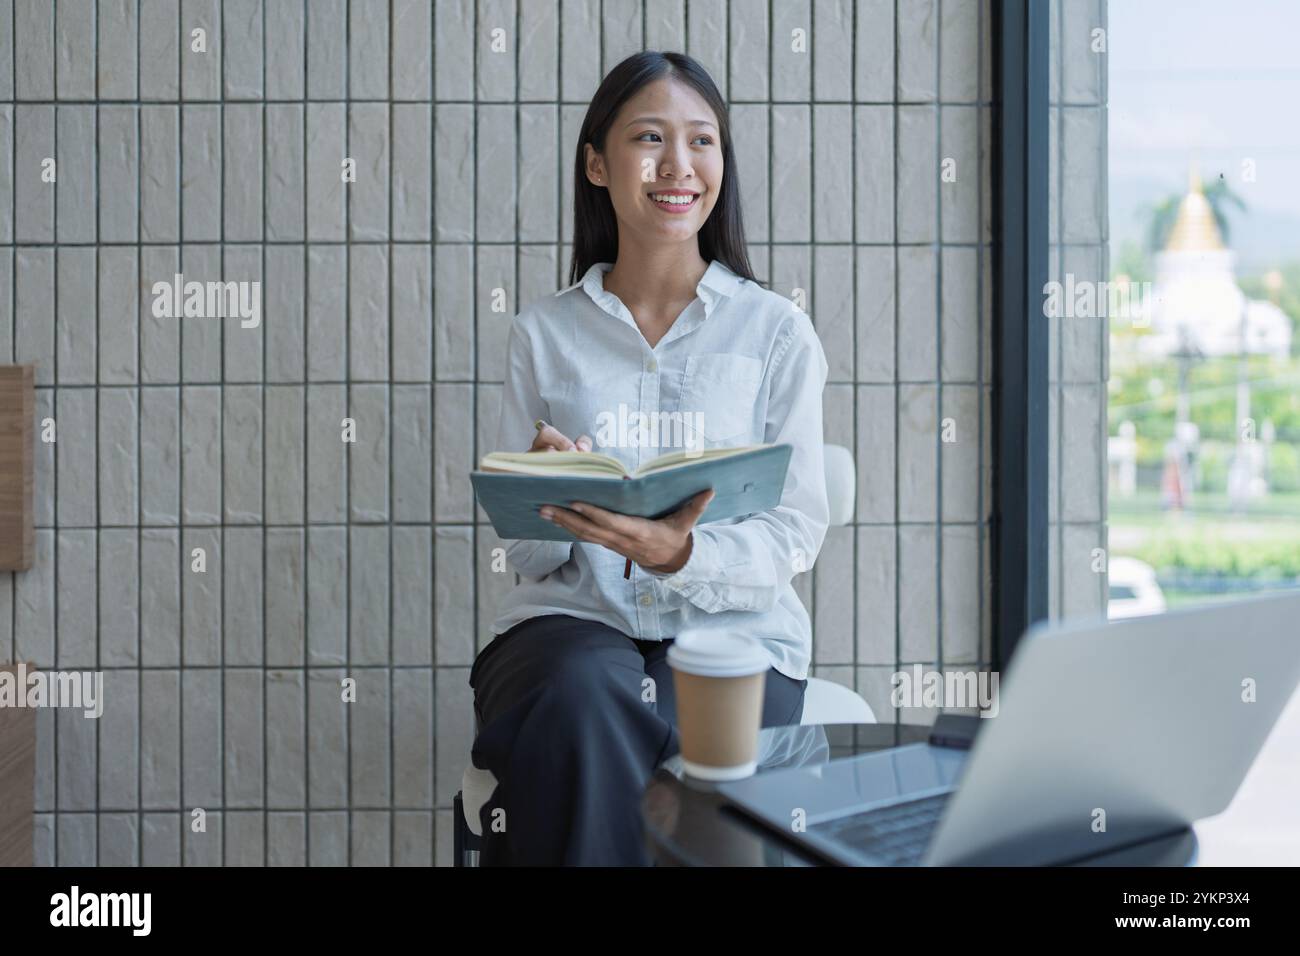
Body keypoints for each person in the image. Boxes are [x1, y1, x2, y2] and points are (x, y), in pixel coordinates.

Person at [468, 50, 830, 866]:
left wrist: (683, 552)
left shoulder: (776, 334)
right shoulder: (543, 333)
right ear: (597, 163)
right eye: (649, 139)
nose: (678, 166)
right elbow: (526, 555)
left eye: (701, 141)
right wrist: (545, 493)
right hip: (572, 626)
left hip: (735, 635)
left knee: (652, 725)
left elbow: (794, 532)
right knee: (578, 694)